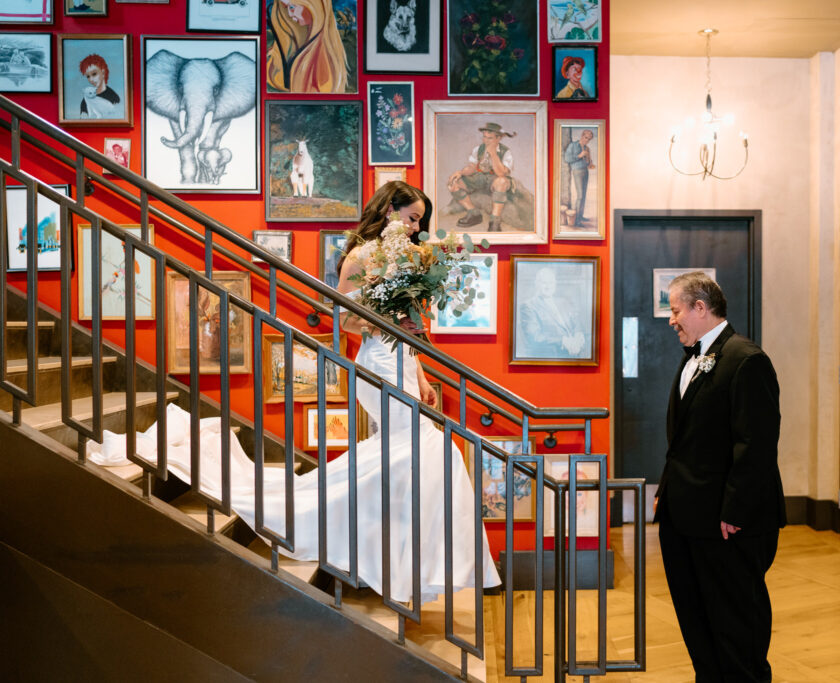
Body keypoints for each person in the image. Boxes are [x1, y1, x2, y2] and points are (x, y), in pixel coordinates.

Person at [88, 181, 500, 603]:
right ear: (389, 211)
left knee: (403, 457)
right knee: (428, 450)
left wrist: (424, 375)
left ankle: (392, 562)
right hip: (377, 364)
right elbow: (345, 321)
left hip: (403, 364)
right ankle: (395, 559)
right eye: (412, 218)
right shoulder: (360, 256)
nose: (416, 229)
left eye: (419, 222)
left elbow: (410, 325)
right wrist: (379, 324)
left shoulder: (408, 258)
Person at [654, 271, 786, 682]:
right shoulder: (695, 355)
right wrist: (667, 490)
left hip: (727, 524)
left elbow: (756, 445)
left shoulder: (747, 360)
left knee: (735, 625)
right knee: (697, 619)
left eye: (675, 310)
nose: (671, 320)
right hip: (686, 516)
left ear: (700, 307)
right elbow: (686, 438)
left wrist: (735, 511)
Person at [446, 122, 517, 233]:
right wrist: (460, 172)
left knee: (502, 181)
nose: (486, 140)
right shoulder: (478, 149)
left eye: (490, 138)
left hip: (496, 180)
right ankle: (474, 213)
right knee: (454, 183)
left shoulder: (505, 152)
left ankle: (495, 221)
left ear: (498, 138)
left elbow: (501, 173)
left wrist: (493, 154)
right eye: (484, 137)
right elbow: (472, 167)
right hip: (480, 178)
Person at [267, 0, 348, 94]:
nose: (289, 14)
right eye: (286, 7)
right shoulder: (292, 49)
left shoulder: (321, 57)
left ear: (313, 5)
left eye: (292, 7)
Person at [515, 266, 587, 359]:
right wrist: (563, 341)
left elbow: (576, 321)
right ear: (536, 284)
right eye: (544, 283)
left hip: (575, 351)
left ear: (555, 284)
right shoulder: (528, 306)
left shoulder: (563, 302)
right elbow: (535, 337)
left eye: (551, 282)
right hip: (553, 355)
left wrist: (578, 334)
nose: (548, 286)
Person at [562, 129, 595, 227]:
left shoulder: (586, 148)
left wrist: (590, 162)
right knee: (580, 195)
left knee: (584, 195)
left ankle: (580, 216)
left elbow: (588, 161)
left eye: (589, 139)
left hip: (585, 171)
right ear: (582, 136)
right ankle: (576, 220)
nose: (587, 140)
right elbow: (567, 159)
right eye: (586, 138)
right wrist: (580, 155)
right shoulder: (573, 145)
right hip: (577, 171)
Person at [78, 54, 121, 120]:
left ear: (103, 73)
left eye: (94, 74)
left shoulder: (114, 98)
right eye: (88, 76)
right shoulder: (84, 102)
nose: (91, 79)